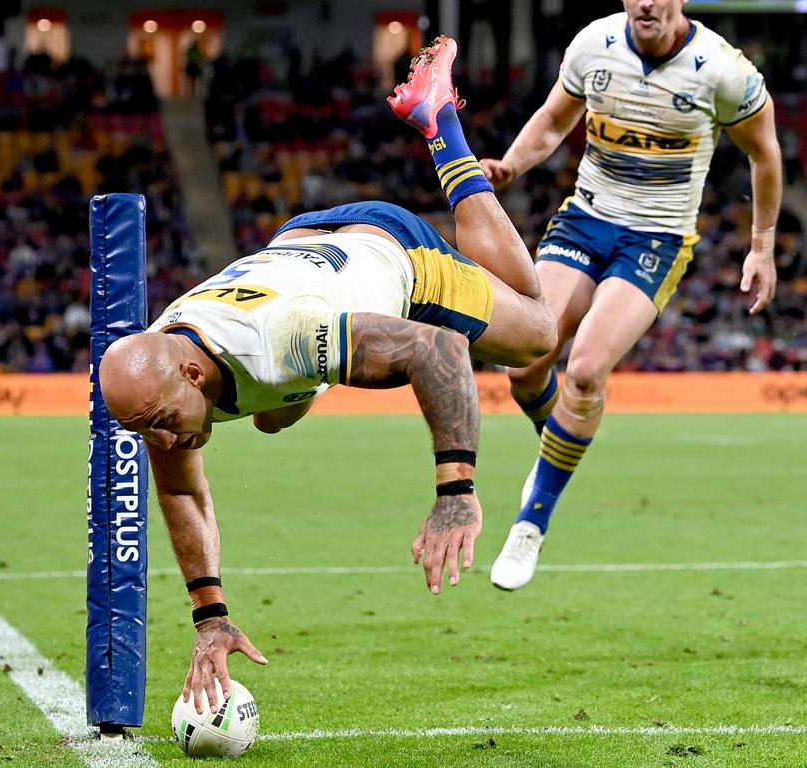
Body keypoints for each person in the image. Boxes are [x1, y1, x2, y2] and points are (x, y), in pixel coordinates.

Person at [99, 52, 558, 713]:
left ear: (193, 371)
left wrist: (456, 490)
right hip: (303, 250)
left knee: (538, 330)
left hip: (394, 255)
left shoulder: (279, 341)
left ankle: (441, 123)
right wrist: (211, 618)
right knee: (270, 415)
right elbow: (180, 489)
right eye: (148, 430)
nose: (163, 437)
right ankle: (291, 398)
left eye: (162, 421)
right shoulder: (161, 377)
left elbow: (439, 351)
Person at [470, 0, 782, 590]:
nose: (645, 3)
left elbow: (764, 153)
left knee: (585, 371)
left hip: (656, 238)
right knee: (525, 362)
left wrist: (761, 246)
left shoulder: (722, 70)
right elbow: (554, 119)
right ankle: (554, 457)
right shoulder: (594, 44)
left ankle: (532, 519)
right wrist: (511, 165)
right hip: (585, 220)